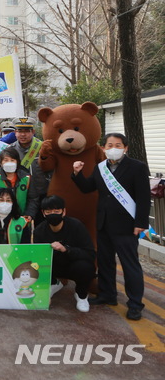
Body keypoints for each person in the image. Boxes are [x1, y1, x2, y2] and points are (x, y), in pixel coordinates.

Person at [72, 132, 150, 320]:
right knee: (105, 262)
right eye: (109, 145)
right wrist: (77, 173)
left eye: (117, 145)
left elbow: (143, 197)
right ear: (103, 148)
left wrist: (140, 223)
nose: (113, 148)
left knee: (130, 265)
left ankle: (135, 304)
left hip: (127, 225)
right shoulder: (100, 168)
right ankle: (108, 294)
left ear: (125, 148)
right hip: (104, 224)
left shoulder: (137, 167)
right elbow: (87, 188)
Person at [34, 195, 96, 313]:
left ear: (64, 212)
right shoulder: (39, 230)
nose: (53, 214)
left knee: (86, 267)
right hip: (53, 266)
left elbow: (90, 254)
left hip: (72, 265)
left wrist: (66, 249)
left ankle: (81, 295)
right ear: (43, 213)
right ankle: (53, 284)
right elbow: (38, 258)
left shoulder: (76, 226)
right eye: (49, 211)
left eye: (56, 211)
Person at [0, 147, 38, 220]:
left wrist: (29, 214)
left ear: (17, 162)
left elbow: (33, 198)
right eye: (6, 160)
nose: (9, 163)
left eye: (12, 160)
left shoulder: (27, 178)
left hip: (22, 219)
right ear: (1, 163)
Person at [8, 117, 47, 199]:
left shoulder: (43, 147)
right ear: (15, 132)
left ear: (33, 132)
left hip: (40, 192)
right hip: (19, 192)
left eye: (26, 131)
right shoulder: (9, 150)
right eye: (19, 131)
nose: (23, 134)